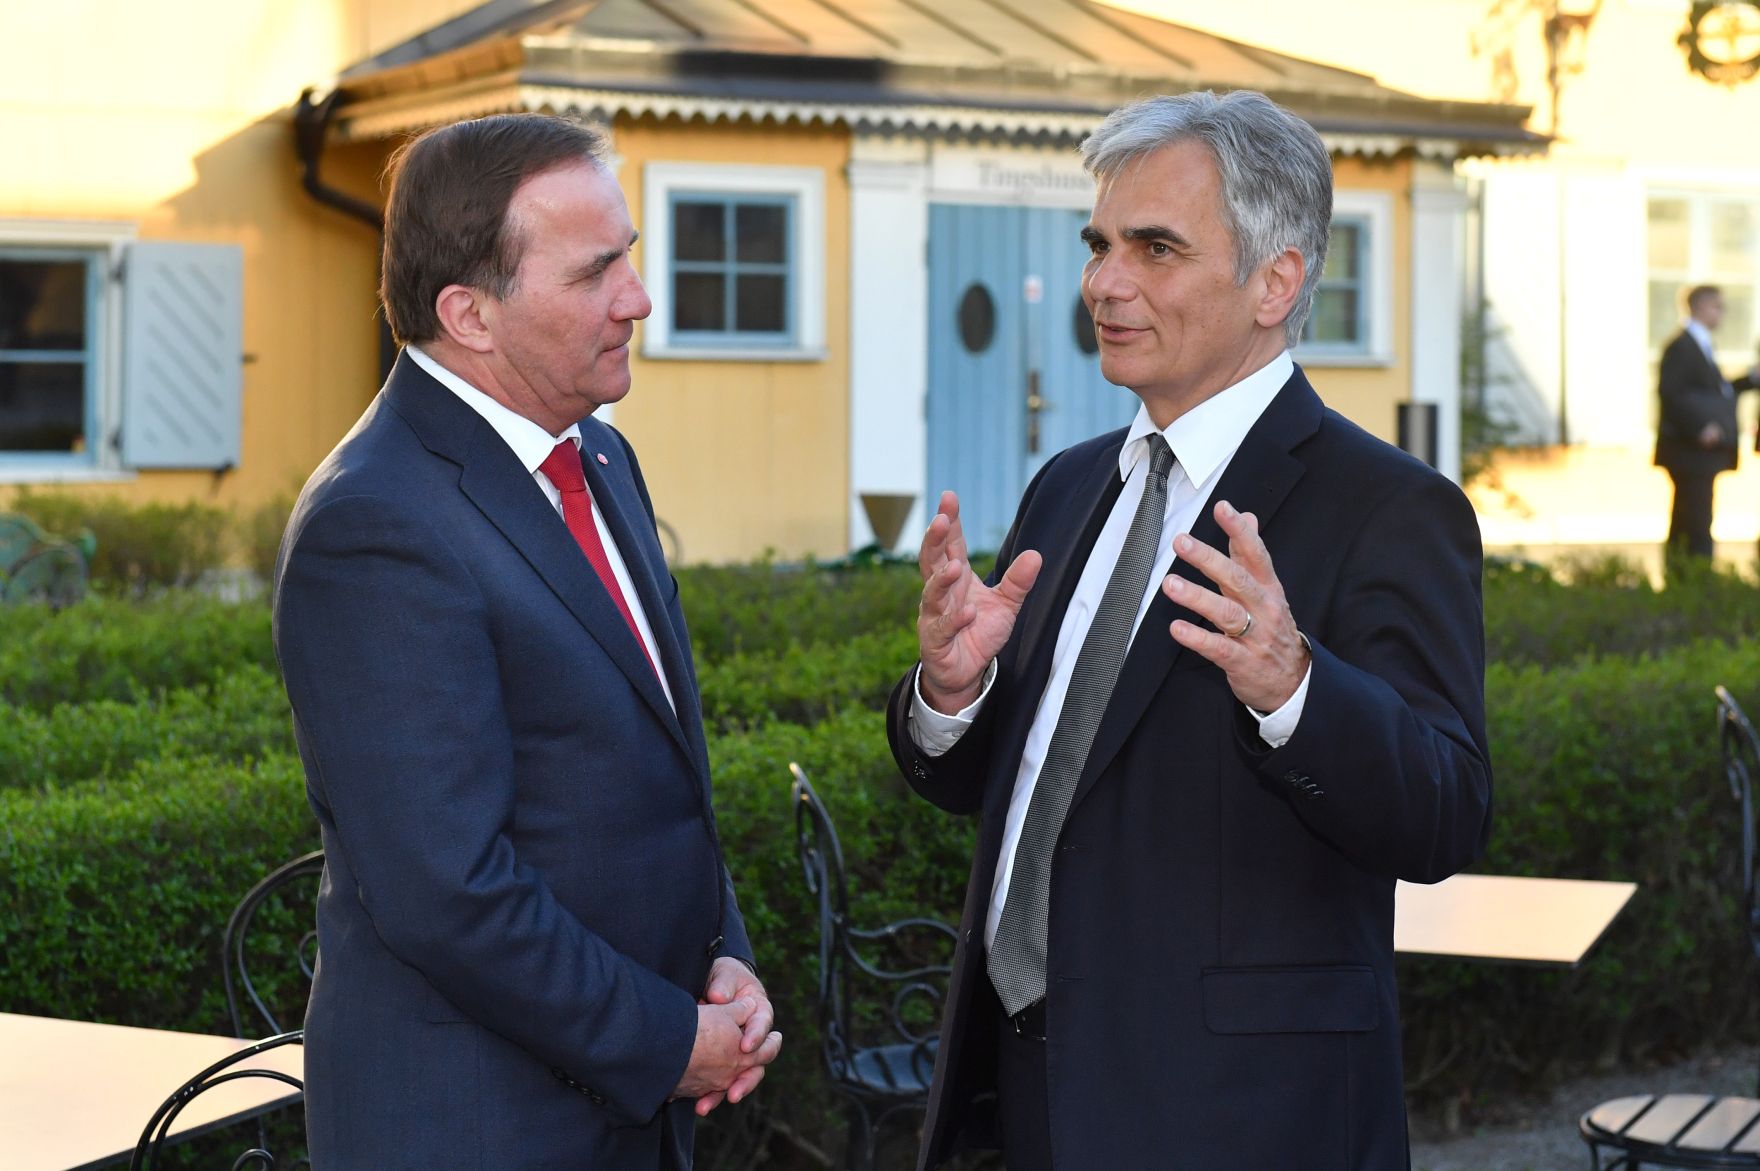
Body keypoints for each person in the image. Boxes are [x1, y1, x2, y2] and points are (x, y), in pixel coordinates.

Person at [887, 91, 1491, 1170]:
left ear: (1276, 279)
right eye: (1100, 245)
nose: (1105, 283)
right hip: (1017, 1091)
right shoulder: (1069, 486)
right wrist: (950, 694)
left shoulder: (1386, 507)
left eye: (1154, 248)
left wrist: (1291, 688)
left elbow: (1443, 814)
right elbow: (1017, 790)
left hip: (1234, 1119)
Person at [273, 113, 780, 1170]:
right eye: (597, 272)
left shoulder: (599, 457)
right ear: (469, 314)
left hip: (617, 1106)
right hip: (477, 1125)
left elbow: (652, 780)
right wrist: (664, 1037)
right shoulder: (375, 524)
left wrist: (720, 965)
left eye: (628, 257)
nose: (637, 296)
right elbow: (446, 890)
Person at [1654, 284, 1759, 561]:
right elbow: (1671, 392)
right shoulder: (1682, 345)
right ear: (1700, 306)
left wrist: (1749, 379)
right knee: (1694, 521)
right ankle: (1696, 583)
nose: (1721, 314)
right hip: (1691, 452)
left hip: (1700, 453)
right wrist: (1700, 427)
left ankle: (1685, 581)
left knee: (1690, 518)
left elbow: (1715, 391)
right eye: (1718, 307)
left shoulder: (1701, 344)